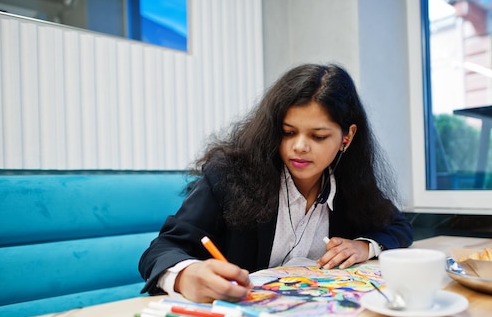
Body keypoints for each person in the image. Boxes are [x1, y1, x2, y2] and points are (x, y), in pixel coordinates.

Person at [139, 63, 414, 303]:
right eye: (288, 132)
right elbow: (161, 249)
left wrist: (365, 246)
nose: (300, 147)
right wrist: (187, 275)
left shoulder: (349, 182)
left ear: (347, 137)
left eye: (318, 136)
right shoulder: (232, 174)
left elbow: (398, 225)